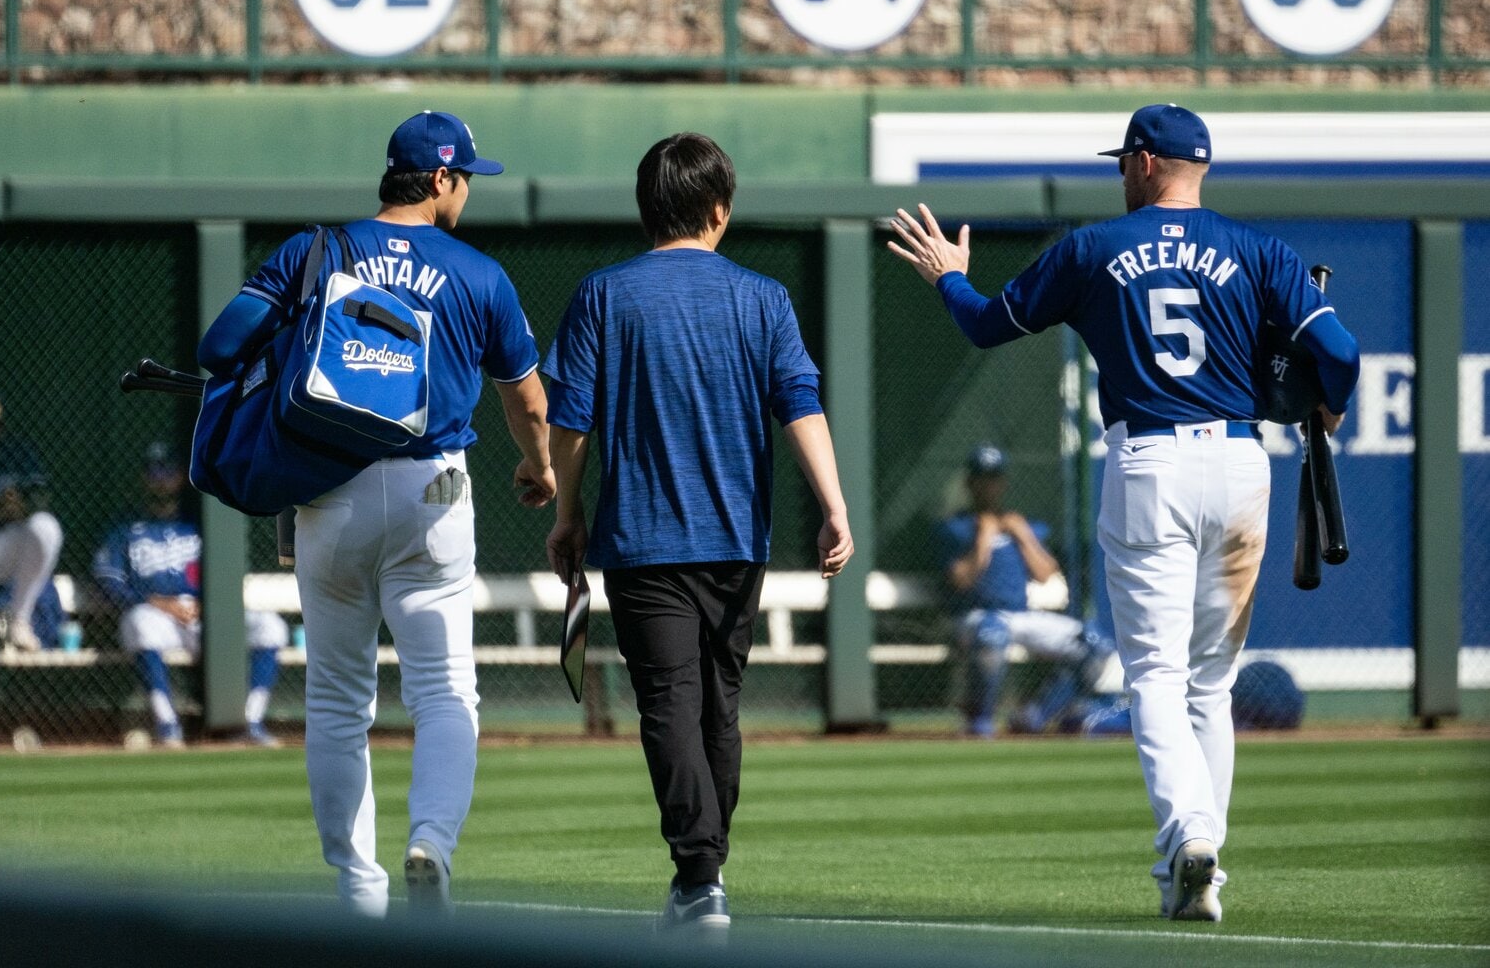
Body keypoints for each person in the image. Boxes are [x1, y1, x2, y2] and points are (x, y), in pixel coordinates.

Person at [888, 104, 1360, 923]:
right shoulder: (1258, 250)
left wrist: (947, 277)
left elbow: (985, 324)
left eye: (1124, 159)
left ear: (1145, 162)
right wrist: (1331, 407)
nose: (1119, 171)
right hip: (1242, 462)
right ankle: (1202, 858)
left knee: (1154, 677)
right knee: (1211, 682)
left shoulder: (1094, 248)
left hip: (1149, 462)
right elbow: (1340, 355)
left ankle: (1188, 842)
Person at [196, 110, 555, 918]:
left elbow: (221, 348)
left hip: (329, 491)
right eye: (465, 178)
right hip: (435, 492)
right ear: (439, 180)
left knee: (335, 700)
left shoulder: (312, 249)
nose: (467, 192)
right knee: (444, 692)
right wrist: (537, 472)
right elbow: (530, 402)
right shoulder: (479, 273)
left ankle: (359, 891)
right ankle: (431, 840)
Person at [543, 133, 853, 937]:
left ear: (648, 209)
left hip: (643, 542)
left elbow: (570, 424)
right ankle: (706, 872)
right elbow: (800, 405)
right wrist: (835, 505)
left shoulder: (603, 295)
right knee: (720, 706)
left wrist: (567, 516)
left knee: (672, 705)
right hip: (737, 540)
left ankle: (699, 875)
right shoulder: (764, 298)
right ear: (719, 210)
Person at [92, 443, 288, 748]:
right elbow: (107, 579)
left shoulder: (198, 524)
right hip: (158, 617)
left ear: (181, 476)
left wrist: (210, 604)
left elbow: (227, 572)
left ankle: (249, 721)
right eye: (154, 471)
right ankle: (167, 722)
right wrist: (155, 601)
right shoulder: (126, 529)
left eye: (168, 470)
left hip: (206, 617)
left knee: (272, 627)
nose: (161, 478)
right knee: (138, 623)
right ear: (143, 477)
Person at [938, 443, 1112, 739]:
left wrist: (1023, 536)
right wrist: (983, 541)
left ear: (1002, 483)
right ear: (970, 482)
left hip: (1020, 615)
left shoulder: (1022, 525)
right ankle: (979, 720)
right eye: (981, 478)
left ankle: (1035, 716)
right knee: (992, 635)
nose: (988, 486)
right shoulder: (956, 527)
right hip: (975, 617)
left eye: (994, 478)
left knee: (1095, 643)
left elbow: (1045, 574)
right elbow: (960, 582)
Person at [0, 391, 65, 653]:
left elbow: (42, 497)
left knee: (46, 527)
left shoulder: (16, 453)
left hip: (3, 546)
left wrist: (21, 506)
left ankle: (19, 620)